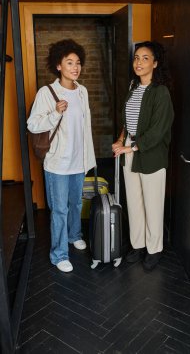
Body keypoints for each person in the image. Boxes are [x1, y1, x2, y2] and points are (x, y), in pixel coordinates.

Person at [27, 39, 96, 273]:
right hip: (57, 163)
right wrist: (55, 114)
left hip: (78, 161)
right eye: (69, 63)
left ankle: (74, 234)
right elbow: (32, 124)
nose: (75, 67)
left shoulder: (83, 91)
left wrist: (89, 158)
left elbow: (84, 127)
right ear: (58, 65)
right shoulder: (47, 93)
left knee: (76, 203)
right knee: (59, 209)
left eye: (78, 63)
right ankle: (58, 255)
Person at [112, 41, 174, 271]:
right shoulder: (132, 88)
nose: (138, 62)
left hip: (151, 153)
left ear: (155, 63)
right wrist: (121, 140)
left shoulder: (161, 92)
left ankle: (154, 248)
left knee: (153, 203)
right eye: (136, 57)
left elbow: (159, 130)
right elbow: (128, 123)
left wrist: (132, 147)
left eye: (145, 58)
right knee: (134, 201)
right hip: (130, 149)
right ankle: (137, 245)